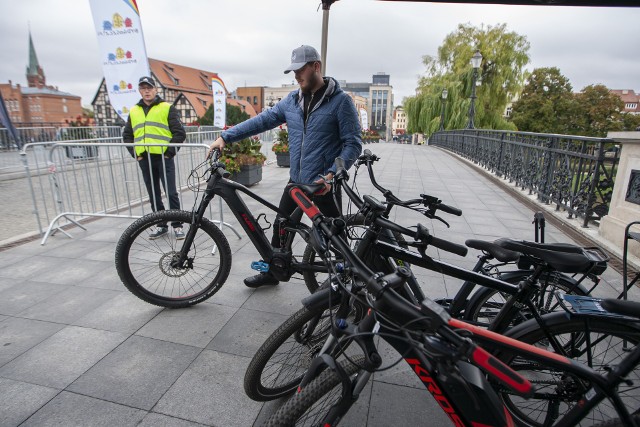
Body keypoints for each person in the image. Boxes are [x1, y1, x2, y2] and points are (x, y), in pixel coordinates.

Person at [208, 45, 363, 288]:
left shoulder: (340, 102)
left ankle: (347, 281)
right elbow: (262, 121)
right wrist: (225, 137)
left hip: (323, 185)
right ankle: (273, 273)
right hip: (296, 182)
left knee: (335, 239)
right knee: (280, 229)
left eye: (300, 70)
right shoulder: (292, 101)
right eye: (293, 71)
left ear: (316, 67)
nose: (296, 75)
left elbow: (353, 144)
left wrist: (333, 174)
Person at [123, 76, 186, 239]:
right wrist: (136, 154)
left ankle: (178, 225)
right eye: (143, 88)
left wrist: (169, 153)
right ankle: (160, 224)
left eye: (149, 88)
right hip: (145, 158)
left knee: (171, 192)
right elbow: (127, 135)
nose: (146, 91)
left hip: (164, 157)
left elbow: (179, 133)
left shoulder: (166, 107)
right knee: (153, 194)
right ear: (139, 91)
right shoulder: (134, 110)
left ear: (155, 90)